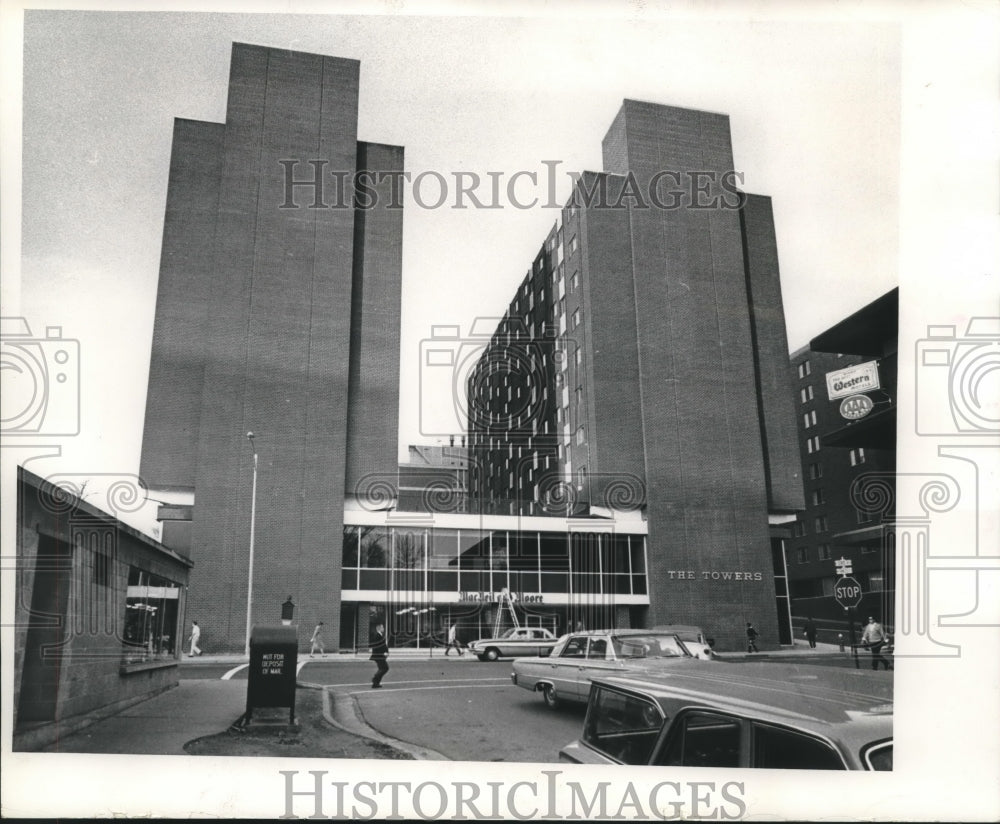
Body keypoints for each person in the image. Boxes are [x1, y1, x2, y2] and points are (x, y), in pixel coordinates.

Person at [370, 623, 389, 688]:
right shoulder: (377, 636)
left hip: (380, 656)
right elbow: (377, 646)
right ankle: (375, 680)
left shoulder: (379, 635)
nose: (383, 628)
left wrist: (386, 652)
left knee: (382, 668)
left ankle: (376, 682)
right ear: (379, 628)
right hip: (379, 656)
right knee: (384, 668)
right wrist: (383, 653)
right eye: (382, 627)